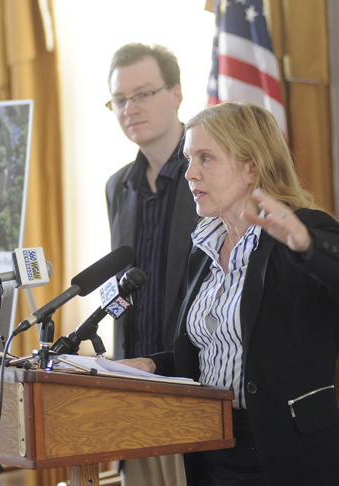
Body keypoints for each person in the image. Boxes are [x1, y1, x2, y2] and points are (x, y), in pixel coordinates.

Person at [121, 101, 339, 485]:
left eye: (205, 158)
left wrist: (307, 244)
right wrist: (154, 365)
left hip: (286, 454)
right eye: (188, 159)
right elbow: (214, 352)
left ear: (252, 167)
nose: (189, 173)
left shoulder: (302, 231)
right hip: (212, 451)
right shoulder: (203, 250)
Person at [105, 43, 197, 485]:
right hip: (132, 386)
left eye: (142, 94)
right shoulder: (117, 186)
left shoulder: (208, 173)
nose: (129, 109)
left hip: (192, 383)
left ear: (177, 93)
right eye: (119, 100)